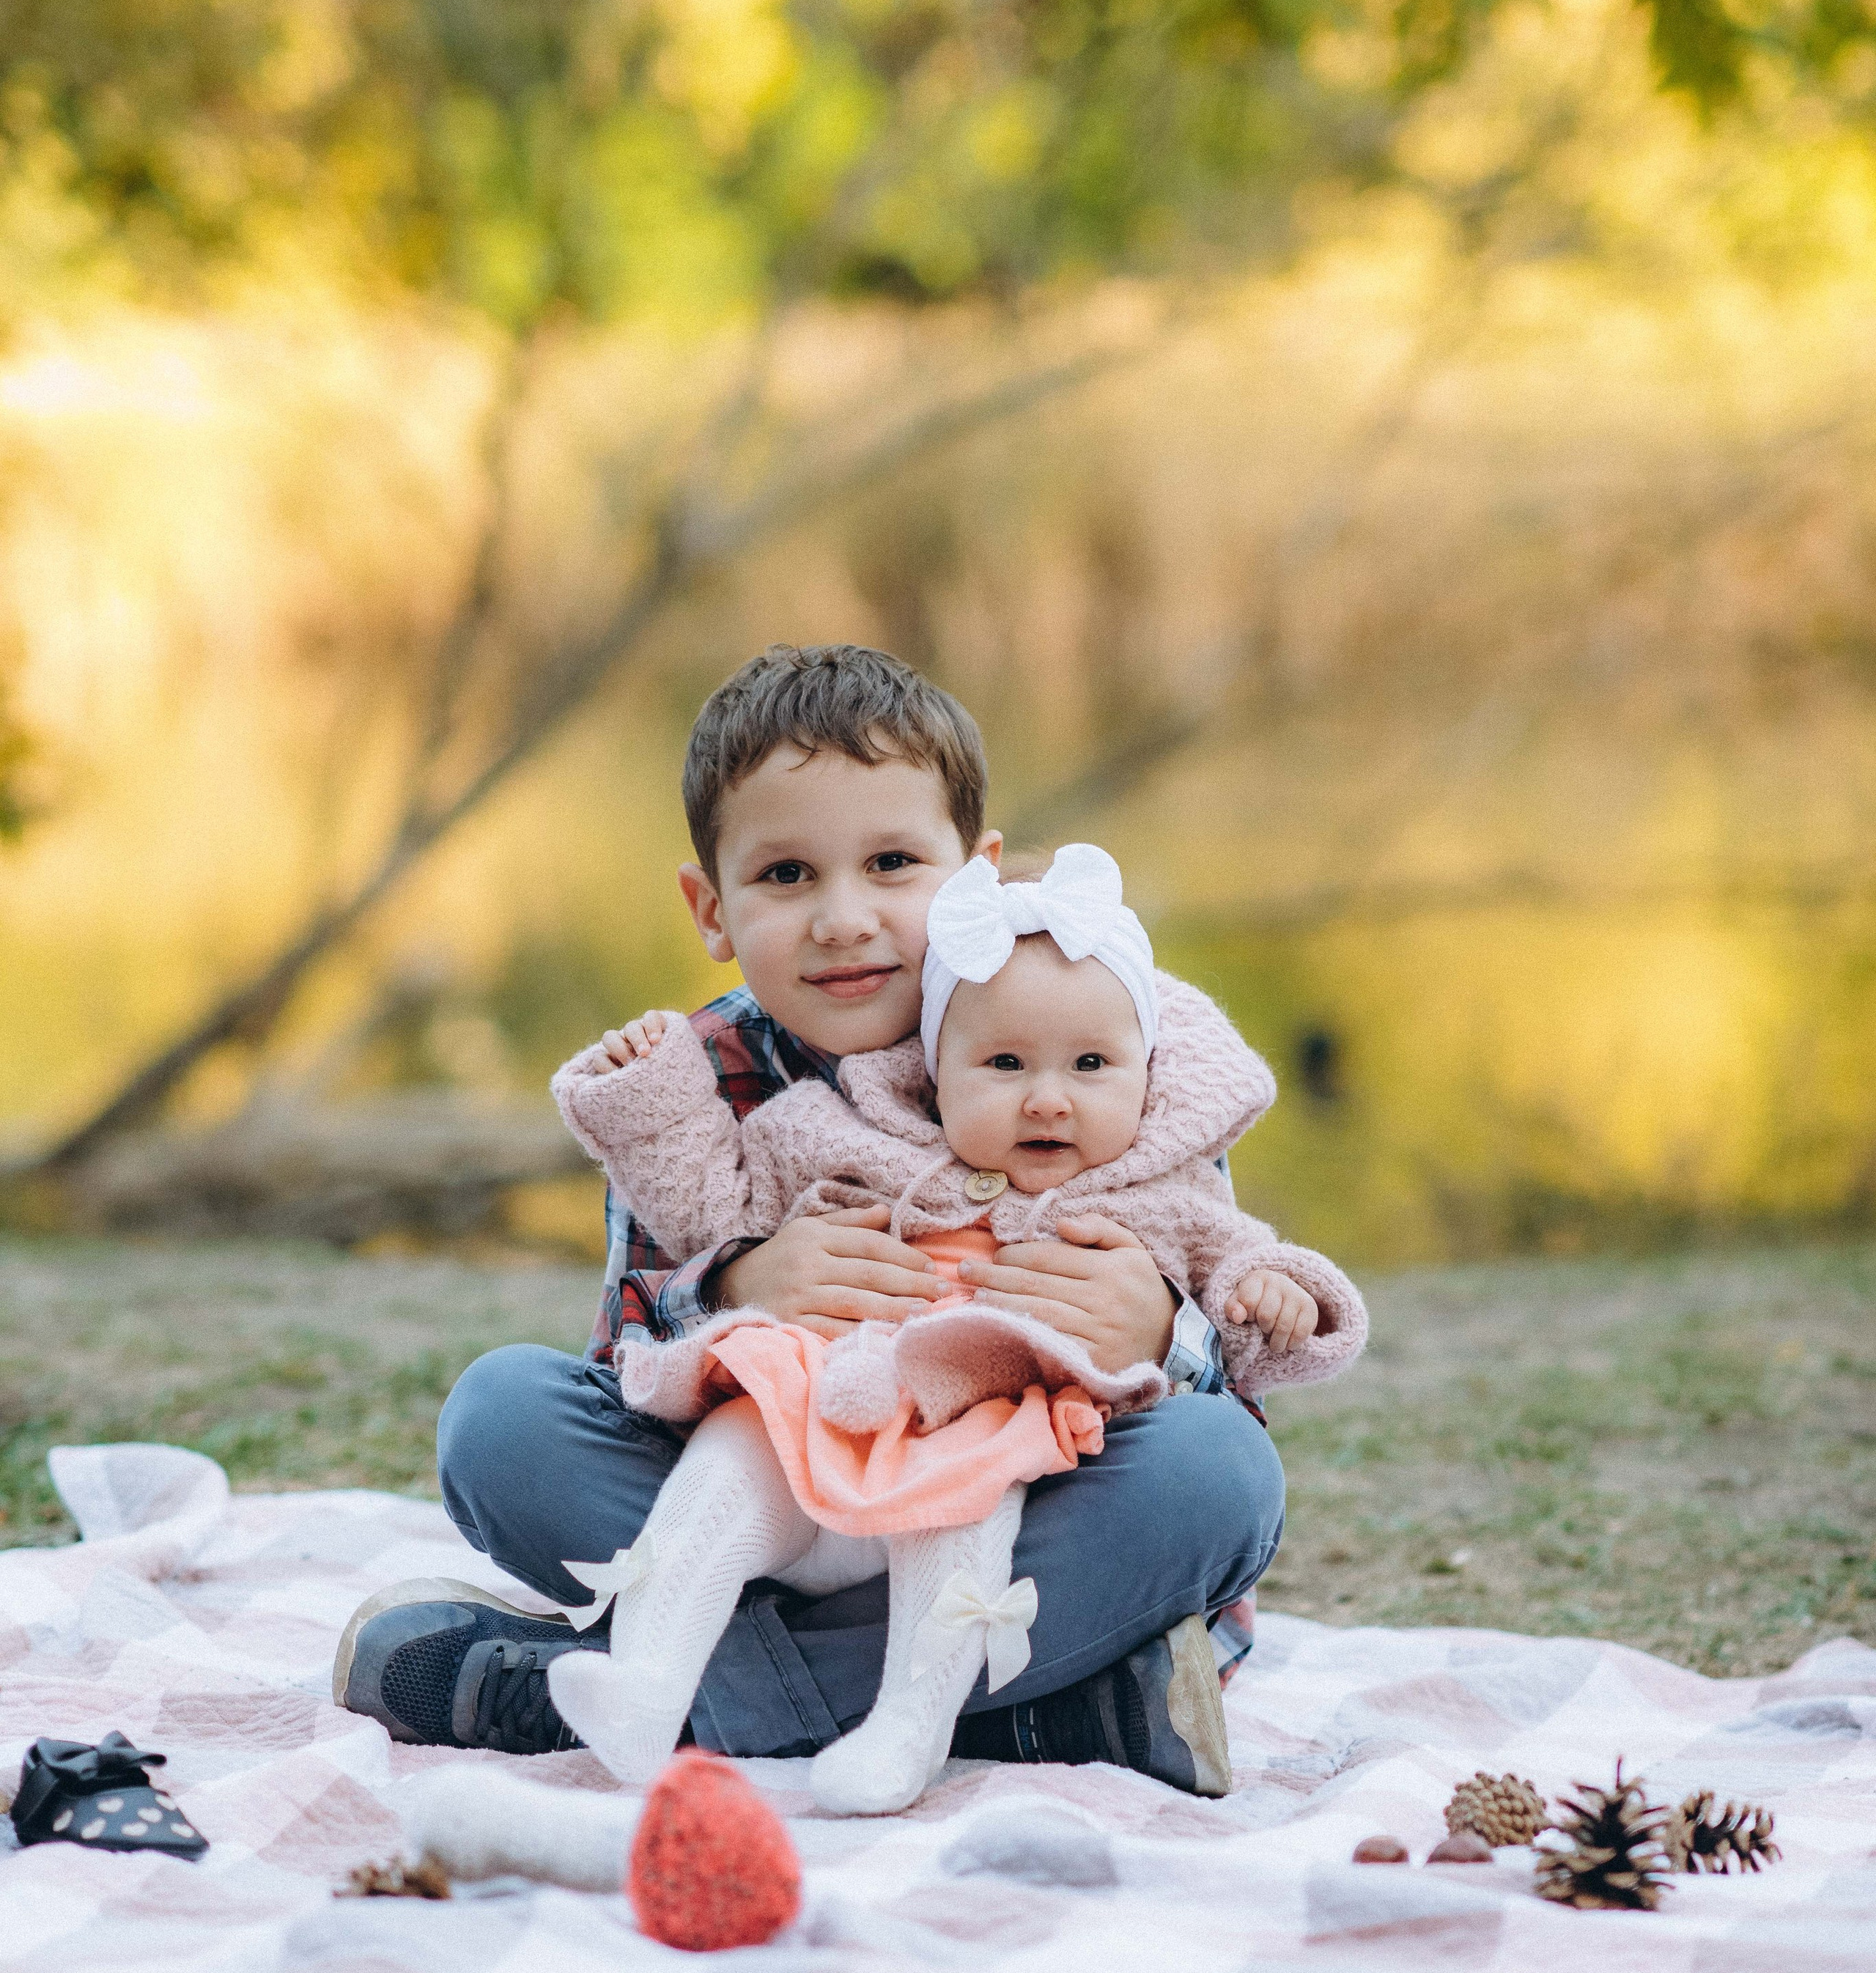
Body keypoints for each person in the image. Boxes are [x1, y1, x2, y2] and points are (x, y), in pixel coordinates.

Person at [334, 646, 1299, 1794]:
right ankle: (1049, 1712)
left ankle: (654, 1698)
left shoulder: (1116, 1043)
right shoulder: (699, 1081)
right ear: (712, 908)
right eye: (787, 876)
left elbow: (1243, 1347)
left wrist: (1162, 1332)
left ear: (974, 874)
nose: (845, 919)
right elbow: (625, 1364)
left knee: (1219, 1474)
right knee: (501, 1422)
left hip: (1021, 1521)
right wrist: (739, 1288)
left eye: (893, 862)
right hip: (772, 1517)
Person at [541, 841, 1365, 1812]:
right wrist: (670, 1125)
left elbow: (1239, 1277)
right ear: (935, 1075)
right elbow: (709, 1200)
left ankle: (899, 1728)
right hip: (813, 1398)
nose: (1049, 1095)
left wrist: (1264, 1298)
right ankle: (648, 1689)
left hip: (981, 1427)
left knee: (1030, 1506)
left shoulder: (1155, 1182)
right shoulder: (847, 1132)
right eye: (1004, 1065)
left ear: (1145, 1071)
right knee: (675, 1454)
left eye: (1092, 1065)